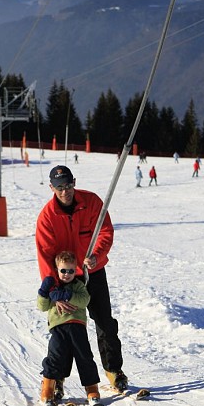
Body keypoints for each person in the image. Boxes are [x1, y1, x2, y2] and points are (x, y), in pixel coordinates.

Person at [36, 165, 128, 392]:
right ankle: (56, 379)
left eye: (68, 186)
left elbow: (105, 231)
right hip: (65, 280)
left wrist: (97, 255)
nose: (64, 191)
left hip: (93, 272)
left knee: (105, 322)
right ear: (51, 188)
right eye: (59, 188)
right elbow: (45, 257)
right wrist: (54, 291)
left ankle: (113, 370)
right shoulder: (47, 218)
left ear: (74, 182)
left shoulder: (92, 202)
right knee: (65, 330)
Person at [37, 250, 102, 406]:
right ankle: (48, 390)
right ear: (57, 269)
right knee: (56, 357)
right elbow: (42, 307)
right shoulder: (53, 287)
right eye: (63, 270)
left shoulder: (78, 286)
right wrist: (44, 293)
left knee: (84, 356)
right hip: (58, 328)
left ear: (76, 270)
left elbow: (84, 300)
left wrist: (67, 295)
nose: (67, 274)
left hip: (77, 326)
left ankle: (92, 390)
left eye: (71, 271)